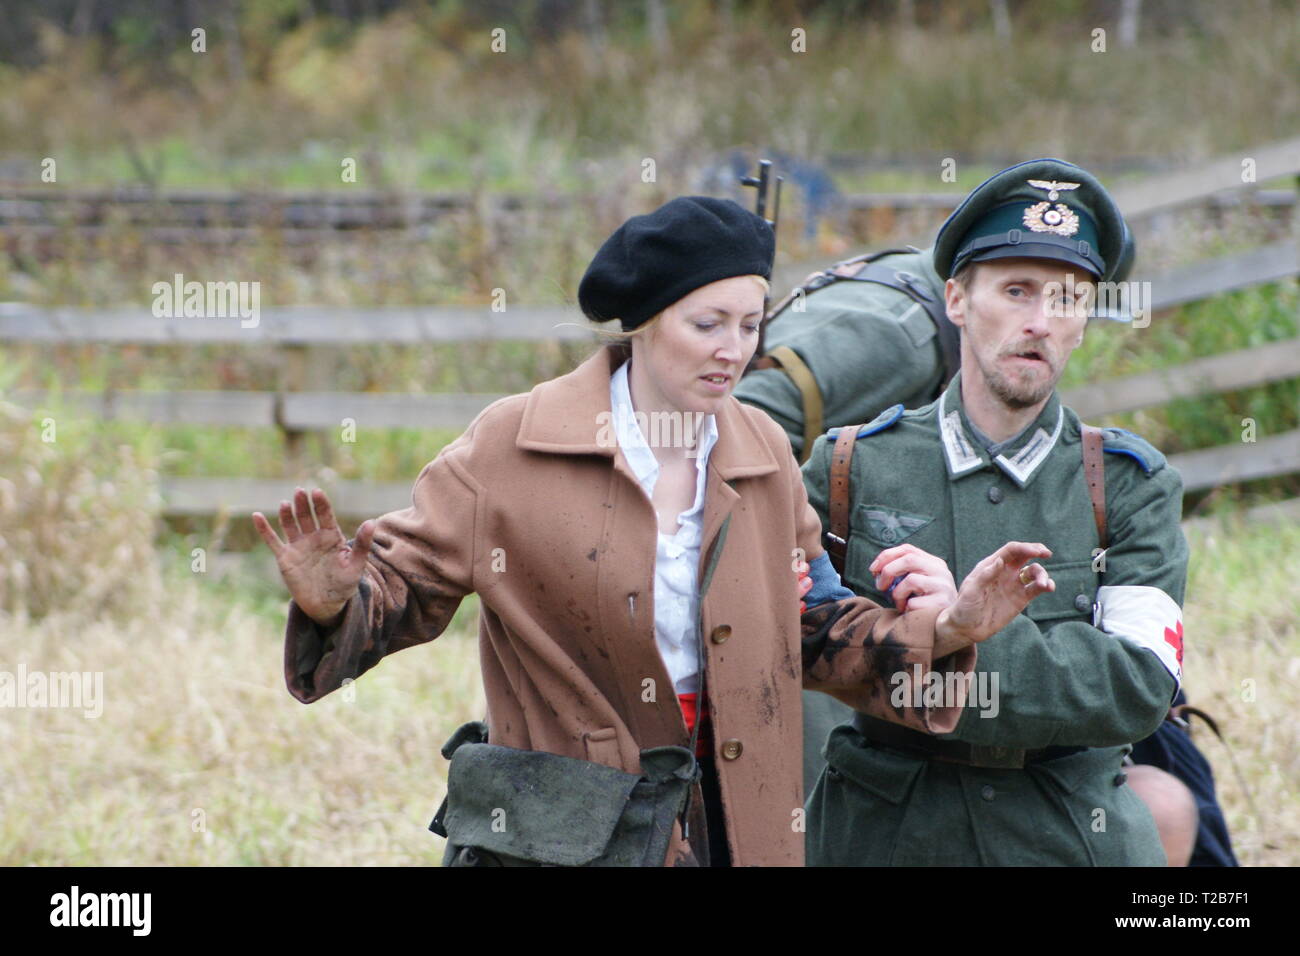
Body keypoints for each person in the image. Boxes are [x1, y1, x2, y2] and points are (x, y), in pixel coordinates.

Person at [252, 195, 1054, 867]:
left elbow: (810, 625)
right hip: (565, 836)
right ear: (644, 322)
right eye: (708, 324)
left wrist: (944, 627)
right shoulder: (512, 443)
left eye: (749, 326)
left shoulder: (763, 453)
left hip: (738, 821)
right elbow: (404, 586)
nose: (733, 351)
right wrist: (336, 604)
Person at [735, 169, 1236, 868]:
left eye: (1067, 298)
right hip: (881, 836)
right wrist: (936, 630)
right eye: (1016, 291)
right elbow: (799, 643)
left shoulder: (1128, 485)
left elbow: (1139, 685)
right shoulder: (850, 467)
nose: (1040, 321)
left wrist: (966, 641)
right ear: (957, 300)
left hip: (1069, 836)